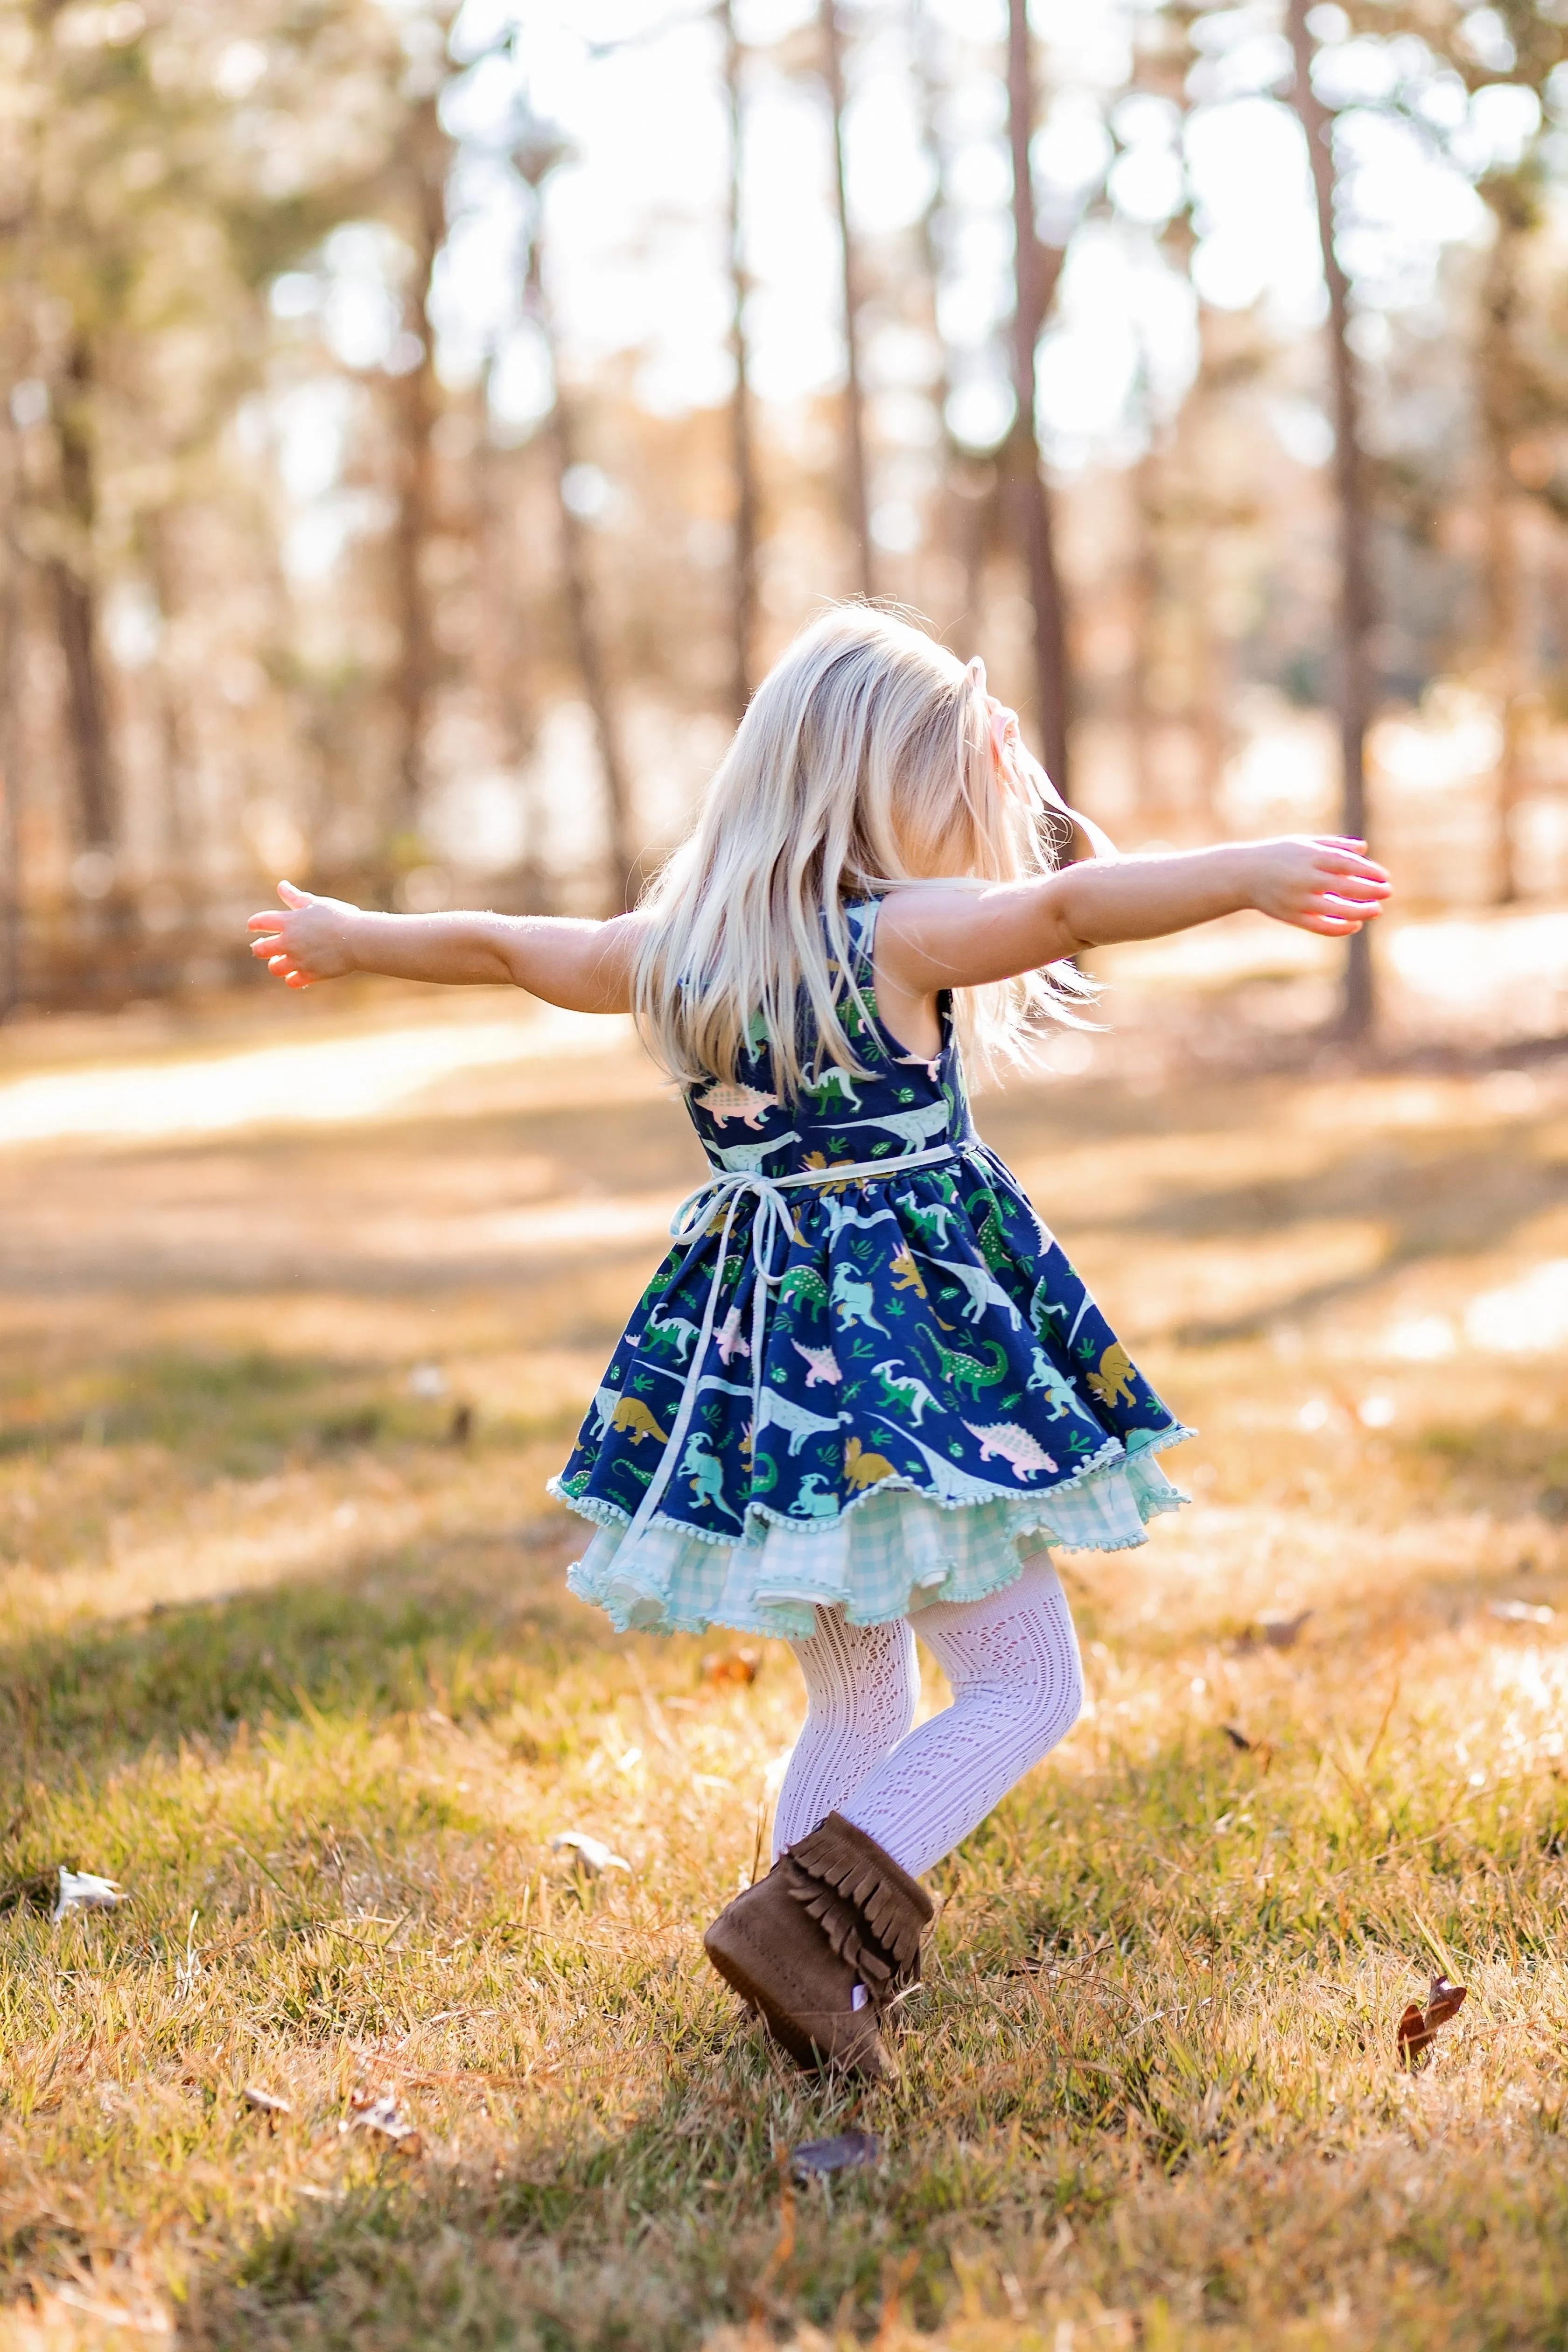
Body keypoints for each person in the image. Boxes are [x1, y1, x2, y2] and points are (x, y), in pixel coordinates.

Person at [248, 604, 1389, 2081]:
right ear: (880, 782)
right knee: (1029, 1686)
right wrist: (1247, 872)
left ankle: (803, 1982)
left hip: (767, 1385)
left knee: (859, 1689)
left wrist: (349, 939)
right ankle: (811, 1935)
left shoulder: (665, 954)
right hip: (914, 1370)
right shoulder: (893, 935)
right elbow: (1063, 915)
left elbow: (493, 946)